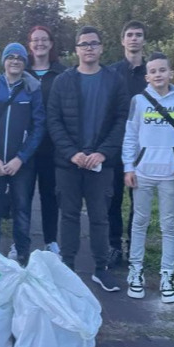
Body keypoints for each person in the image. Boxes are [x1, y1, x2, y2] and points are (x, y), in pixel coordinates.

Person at [47, 26, 128, 292]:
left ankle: (101, 269)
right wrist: (73, 153)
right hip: (69, 163)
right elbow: (54, 121)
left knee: (99, 217)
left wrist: (103, 152)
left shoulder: (114, 80)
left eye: (94, 43)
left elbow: (120, 120)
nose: (89, 48)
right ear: (77, 49)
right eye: (84, 44)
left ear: (102, 48)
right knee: (68, 216)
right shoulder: (63, 81)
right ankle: (67, 267)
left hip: (101, 163)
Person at [122, 52, 174, 301]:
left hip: (171, 173)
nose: (158, 75)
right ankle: (136, 271)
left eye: (162, 70)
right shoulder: (139, 101)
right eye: (153, 71)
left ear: (171, 73)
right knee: (139, 223)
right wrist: (128, 167)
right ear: (147, 76)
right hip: (143, 171)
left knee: (169, 225)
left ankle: (168, 275)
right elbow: (131, 135)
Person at [0, 42, 46, 266]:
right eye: (10, 57)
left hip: (21, 164)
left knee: (22, 209)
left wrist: (21, 158)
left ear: (25, 62)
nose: (15, 60)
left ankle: (23, 256)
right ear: (4, 61)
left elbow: (38, 127)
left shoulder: (32, 89)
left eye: (20, 57)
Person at [107, 20, 148, 267]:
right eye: (129, 35)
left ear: (144, 40)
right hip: (116, 146)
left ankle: (134, 247)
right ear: (122, 40)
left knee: (139, 202)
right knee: (112, 199)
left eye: (139, 35)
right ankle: (113, 245)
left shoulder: (153, 72)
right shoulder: (111, 73)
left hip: (145, 149)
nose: (134, 39)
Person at [25, 25, 66, 256]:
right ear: (29, 45)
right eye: (35, 40)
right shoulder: (21, 71)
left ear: (50, 44)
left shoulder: (62, 73)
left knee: (50, 196)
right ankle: (20, 242)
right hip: (26, 147)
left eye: (44, 40)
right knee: (23, 196)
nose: (39, 43)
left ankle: (51, 241)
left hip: (53, 146)